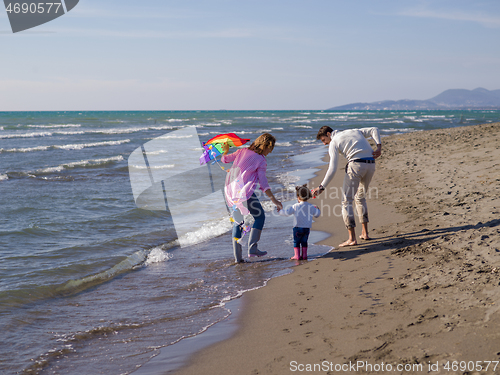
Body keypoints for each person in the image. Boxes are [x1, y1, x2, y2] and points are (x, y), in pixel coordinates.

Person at [312, 126, 382, 247]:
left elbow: (332, 169)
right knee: (360, 198)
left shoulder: (333, 142)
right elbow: (374, 129)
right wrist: (379, 147)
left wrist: (321, 187)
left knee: (346, 201)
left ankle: (352, 239)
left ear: (329, 134)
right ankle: (365, 233)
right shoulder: (354, 131)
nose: (324, 144)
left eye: (324, 140)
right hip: (370, 164)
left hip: (356, 166)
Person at [221, 133, 283, 263]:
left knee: (238, 222)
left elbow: (225, 160)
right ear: (265, 145)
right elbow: (263, 183)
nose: (269, 153)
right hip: (244, 193)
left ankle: (238, 259)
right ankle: (252, 249)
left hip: (230, 192)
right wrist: (274, 200)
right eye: (269, 149)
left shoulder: (242, 151)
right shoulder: (261, 160)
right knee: (260, 217)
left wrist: (225, 151)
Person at [279, 184, 321, 260]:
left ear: (298, 197)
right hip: (306, 228)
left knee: (296, 242)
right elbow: (317, 215)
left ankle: (297, 255)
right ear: (308, 196)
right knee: (304, 242)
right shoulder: (311, 206)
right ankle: (304, 255)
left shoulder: (295, 206)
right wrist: (318, 209)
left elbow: (287, 213)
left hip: (297, 228)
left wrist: (280, 211)